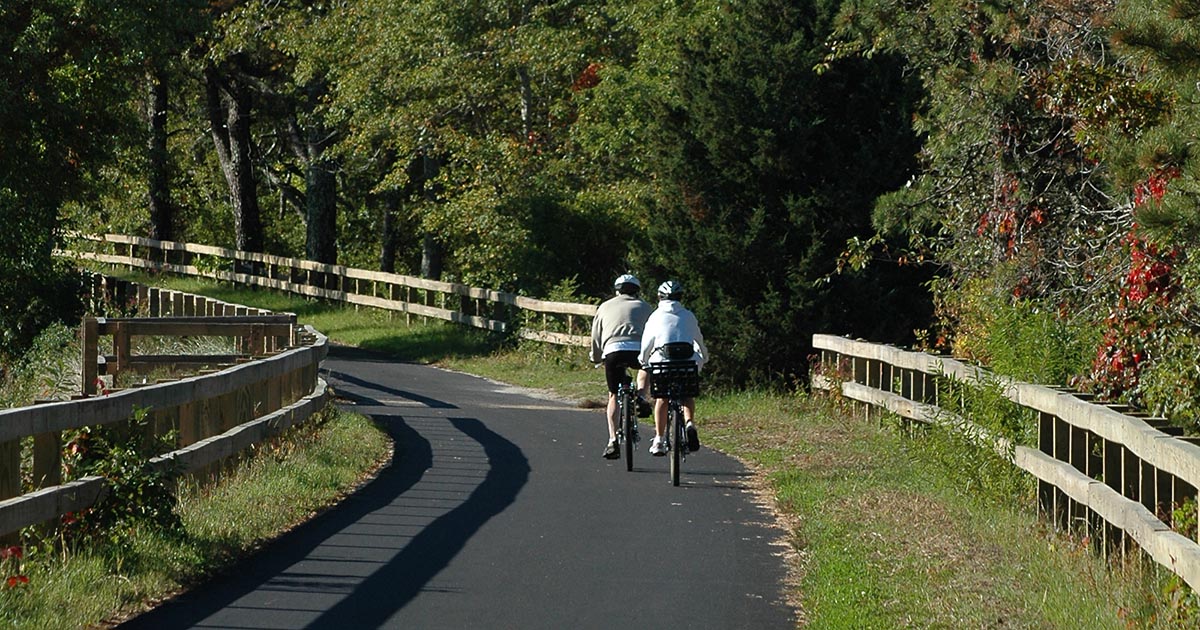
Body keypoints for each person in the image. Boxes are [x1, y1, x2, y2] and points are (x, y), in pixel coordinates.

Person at [639, 280, 708, 456]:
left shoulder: (655, 317)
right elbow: (699, 341)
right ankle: (690, 422)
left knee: (662, 399)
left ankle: (660, 439)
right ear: (680, 297)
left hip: (663, 365)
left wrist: (643, 360)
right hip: (687, 365)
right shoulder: (688, 315)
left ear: (660, 297)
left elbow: (647, 344)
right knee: (687, 395)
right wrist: (704, 359)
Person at [589, 273, 654, 459]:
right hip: (639, 351)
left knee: (613, 395)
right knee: (644, 366)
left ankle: (612, 440)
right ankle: (642, 396)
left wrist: (596, 357)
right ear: (637, 291)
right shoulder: (646, 307)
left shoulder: (605, 307)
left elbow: (596, 335)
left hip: (613, 351)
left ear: (617, 290)